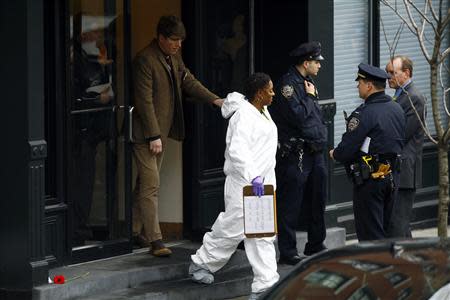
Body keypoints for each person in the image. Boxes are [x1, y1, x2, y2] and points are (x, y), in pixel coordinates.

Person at [132, 15, 223, 256]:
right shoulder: (145, 59)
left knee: (145, 182)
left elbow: (188, 81)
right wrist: (153, 135)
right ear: (161, 38)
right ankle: (155, 240)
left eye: (181, 40)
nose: (178, 44)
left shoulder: (173, 57)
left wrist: (214, 99)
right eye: (174, 40)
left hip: (159, 132)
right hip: (145, 134)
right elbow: (144, 102)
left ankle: (135, 229)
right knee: (151, 184)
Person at [189, 73, 279, 300]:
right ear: (259, 93)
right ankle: (202, 263)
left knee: (263, 235)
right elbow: (237, 151)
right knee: (232, 229)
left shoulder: (262, 111)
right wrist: (253, 177)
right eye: (270, 90)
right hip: (245, 184)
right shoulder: (243, 117)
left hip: (262, 186)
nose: (273, 93)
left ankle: (265, 286)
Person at [329, 63, 406, 241]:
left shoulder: (363, 113)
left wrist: (335, 154)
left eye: (360, 82)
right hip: (393, 175)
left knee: (370, 233)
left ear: (369, 86)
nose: (358, 86)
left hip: (370, 180)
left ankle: (374, 267)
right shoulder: (396, 108)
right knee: (387, 229)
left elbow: (348, 149)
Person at [268, 41, 328, 265]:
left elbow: (316, 118)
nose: (320, 66)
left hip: (315, 149)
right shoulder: (288, 86)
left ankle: (315, 243)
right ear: (306, 63)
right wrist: (310, 98)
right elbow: (300, 118)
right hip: (297, 152)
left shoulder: (308, 82)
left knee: (317, 199)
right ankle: (288, 250)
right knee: (291, 202)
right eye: (316, 62)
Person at [71, 19, 114, 246]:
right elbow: (74, 96)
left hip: (94, 131)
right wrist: (99, 98)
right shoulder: (76, 60)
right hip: (81, 131)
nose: (98, 39)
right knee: (82, 182)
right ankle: (78, 230)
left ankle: (82, 227)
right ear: (82, 36)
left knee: (87, 181)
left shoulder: (93, 59)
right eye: (93, 34)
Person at [385, 56, 426, 238]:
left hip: (405, 171)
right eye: (387, 73)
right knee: (397, 224)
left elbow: (402, 134)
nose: (388, 78)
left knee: (398, 224)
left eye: (393, 73)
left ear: (406, 73)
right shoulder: (400, 94)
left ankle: (403, 264)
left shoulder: (414, 97)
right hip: (396, 169)